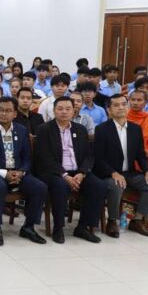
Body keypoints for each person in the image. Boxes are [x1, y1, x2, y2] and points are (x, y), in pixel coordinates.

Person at [33, 97, 107, 243]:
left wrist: (82, 173)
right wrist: (65, 176)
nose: (64, 112)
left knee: (99, 186)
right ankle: (58, 228)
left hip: (77, 172)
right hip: (54, 172)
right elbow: (44, 157)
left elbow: (88, 155)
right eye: (60, 109)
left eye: (68, 109)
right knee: (60, 186)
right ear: (54, 111)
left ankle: (83, 227)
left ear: (74, 111)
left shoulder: (80, 129)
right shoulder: (44, 129)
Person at [0, 98, 48, 246]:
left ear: (15, 113)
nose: (3, 113)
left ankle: (28, 227)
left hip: (17, 172)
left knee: (39, 187)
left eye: (8, 111)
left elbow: (27, 157)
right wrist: (3, 173)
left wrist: (21, 172)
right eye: (0, 110)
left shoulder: (21, 130)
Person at [92, 95, 148, 238]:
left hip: (129, 173)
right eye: (116, 105)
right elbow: (98, 158)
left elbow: (140, 155)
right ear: (109, 110)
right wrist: (113, 173)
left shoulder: (135, 129)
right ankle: (112, 221)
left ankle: (138, 220)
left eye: (124, 104)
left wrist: (147, 171)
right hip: (108, 173)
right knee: (117, 184)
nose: (121, 108)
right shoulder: (102, 129)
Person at [127, 90, 148, 164]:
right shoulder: (123, 116)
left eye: (139, 100)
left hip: (143, 148)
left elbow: (143, 138)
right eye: (133, 100)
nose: (135, 103)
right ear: (129, 100)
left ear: (145, 102)